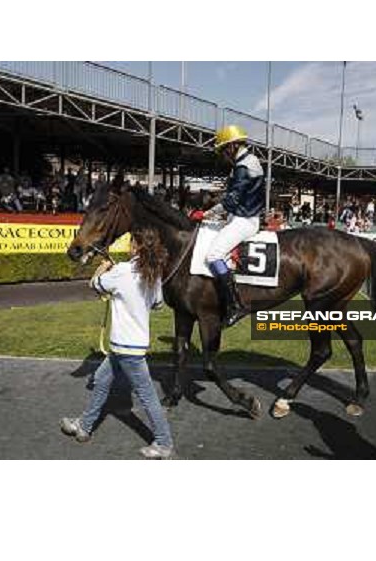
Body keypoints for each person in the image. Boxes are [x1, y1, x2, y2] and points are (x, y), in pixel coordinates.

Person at [60, 228, 174, 459]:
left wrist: (102, 268)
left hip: (126, 347)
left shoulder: (122, 271)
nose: (128, 245)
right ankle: (84, 425)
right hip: (129, 345)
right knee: (102, 380)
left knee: (147, 396)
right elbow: (157, 305)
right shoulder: (153, 272)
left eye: (131, 242)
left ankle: (164, 442)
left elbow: (95, 286)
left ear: (136, 246)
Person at [191, 125, 265, 327]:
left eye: (223, 150)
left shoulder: (243, 167)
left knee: (213, 255)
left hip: (244, 220)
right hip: (239, 216)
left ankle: (235, 305)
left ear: (232, 146)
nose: (223, 155)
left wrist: (205, 213)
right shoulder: (244, 162)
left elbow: (232, 200)